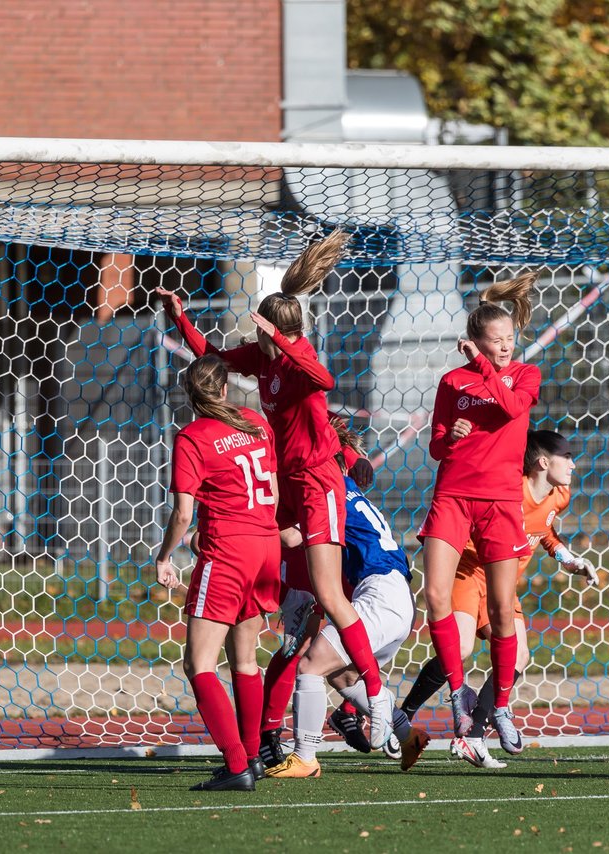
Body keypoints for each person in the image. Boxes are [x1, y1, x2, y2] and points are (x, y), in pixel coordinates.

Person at [157, 230, 393, 749]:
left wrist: (285, 343)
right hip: (283, 489)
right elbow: (211, 359)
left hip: (317, 484)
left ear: (276, 333)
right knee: (295, 601)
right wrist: (180, 318)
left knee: (329, 594)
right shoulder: (263, 360)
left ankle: (375, 693)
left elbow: (326, 382)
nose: (258, 340)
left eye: (264, 333)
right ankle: (269, 733)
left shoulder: (296, 359)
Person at [394, 429, 600, 769]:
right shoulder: (507, 491)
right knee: (459, 649)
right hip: (468, 570)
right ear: (542, 462)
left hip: (501, 583)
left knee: (519, 656)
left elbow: (544, 530)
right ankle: (403, 716)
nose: (574, 465)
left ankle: (472, 735)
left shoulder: (559, 495)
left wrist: (569, 560)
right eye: (568, 457)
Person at [419, 273, 541, 755]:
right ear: (477, 342)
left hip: (499, 503)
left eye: (510, 339)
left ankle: (504, 705)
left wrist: (488, 371)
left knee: (501, 611)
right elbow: (435, 445)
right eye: (497, 341)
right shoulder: (453, 381)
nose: (506, 347)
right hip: (452, 495)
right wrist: (452, 437)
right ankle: (457, 695)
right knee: (435, 594)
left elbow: (512, 409)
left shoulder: (524, 376)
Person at [267, 423, 430, 777]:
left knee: (309, 665)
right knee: (341, 676)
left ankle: (305, 757)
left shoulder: (328, 490)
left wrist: (251, 525)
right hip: (396, 596)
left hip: (380, 596)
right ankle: (407, 734)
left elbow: (294, 538)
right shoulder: (349, 487)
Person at [153, 354, 281, 792]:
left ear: (189, 395)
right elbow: (274, 491)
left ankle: (236, 764)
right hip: (266, 545)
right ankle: (251, 757)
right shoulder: (254, 422)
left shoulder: (192, 437)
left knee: (198, 663)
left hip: (229, 552)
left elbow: (183, 513)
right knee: (245, 660)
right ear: (225, 388)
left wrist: (165, 555)